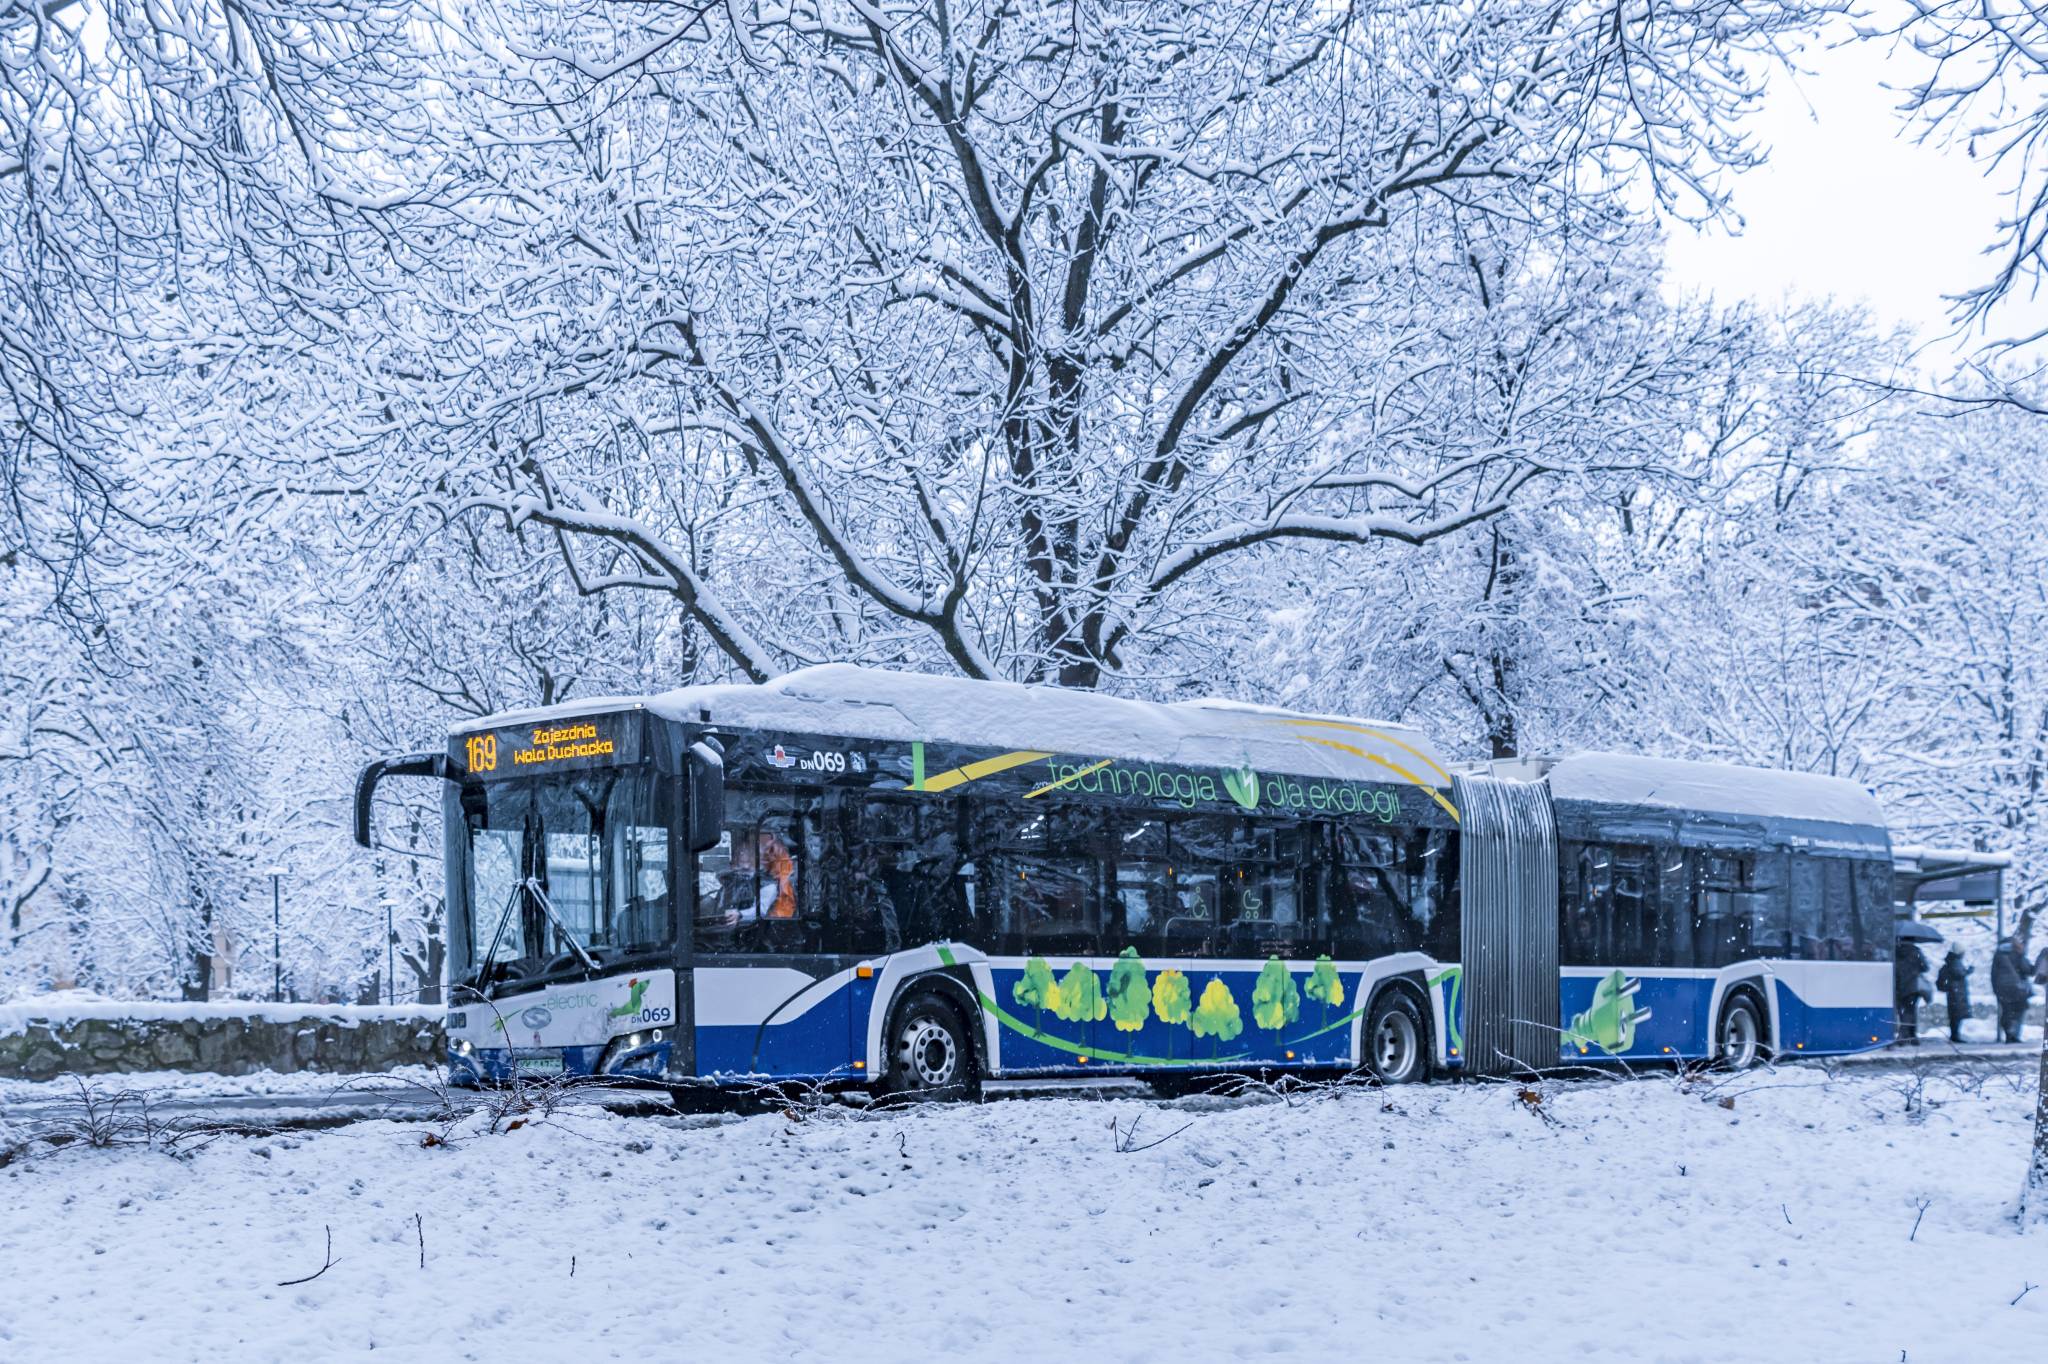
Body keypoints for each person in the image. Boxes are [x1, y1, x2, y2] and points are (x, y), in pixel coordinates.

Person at [1991, 938, 2031, 1044]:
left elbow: (1994, 974)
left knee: (2007, 1011)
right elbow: (2027, 970)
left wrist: (1996, 989)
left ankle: (2009, 1034)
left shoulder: (1998, 955)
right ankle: (2012, 1034)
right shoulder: (2017, 955)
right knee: (2017, 1010)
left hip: (2002, 989)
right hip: (2015, 988)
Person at [1894, 939, 1930, 1045]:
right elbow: (1925, 968)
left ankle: (1911, 1036)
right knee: (1910, 1011)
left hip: (1898, 985)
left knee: (1902, 1011)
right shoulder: (1916, 952)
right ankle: (1904, 1035)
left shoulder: (1895, 951)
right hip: (1912, 986)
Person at [1935, 945, 1972, 1044]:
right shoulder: (1955, 961)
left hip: (1953, 991)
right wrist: (1969, 971)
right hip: (1956, 992)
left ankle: (1954, 1035)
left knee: (1954, 1014)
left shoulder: (1951, 961)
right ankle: (1955, 1036)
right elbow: (1959, 974)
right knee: (1957, 1014)